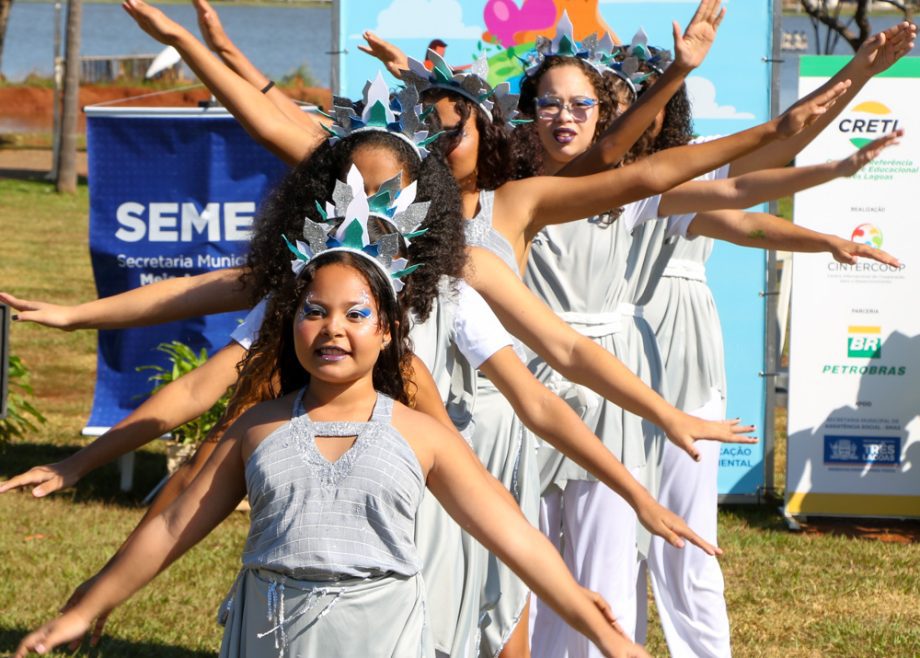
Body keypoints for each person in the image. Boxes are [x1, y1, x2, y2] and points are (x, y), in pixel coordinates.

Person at [12, 228, 650, 658]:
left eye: (356, 314)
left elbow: (513, 534)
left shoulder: (422, 434)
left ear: (388, 332)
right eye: (313, 311)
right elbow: (174, 523)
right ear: (290, 323)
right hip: (271, 633)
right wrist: (84, 607)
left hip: (383, 635)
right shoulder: (256, 427)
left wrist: (597, 626)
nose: (332, 329)